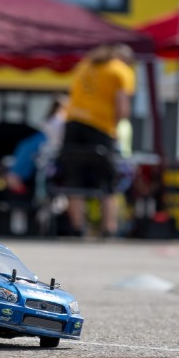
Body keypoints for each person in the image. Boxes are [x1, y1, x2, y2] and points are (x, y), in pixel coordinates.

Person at [61, 43, 136, 237]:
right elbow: (122, 107)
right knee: (108, 180)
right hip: (100, 127)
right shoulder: (121, 71)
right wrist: (116, 128)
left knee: (74, 179)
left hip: (73, 124)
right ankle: (109, 228)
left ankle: (77, 227)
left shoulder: (85, 64)